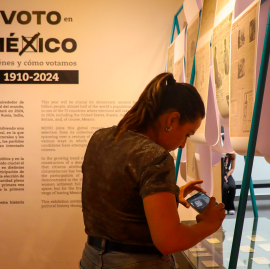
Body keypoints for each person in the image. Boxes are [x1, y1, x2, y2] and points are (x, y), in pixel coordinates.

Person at [80, 73, 226, 269]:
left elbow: (120, 199)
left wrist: (171, 194)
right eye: (187, 134)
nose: (183, 143)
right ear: (172, 120)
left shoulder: (101, 137)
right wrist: (209, 225)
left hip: (92, 258)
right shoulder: (155, 156)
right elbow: (169, 241)